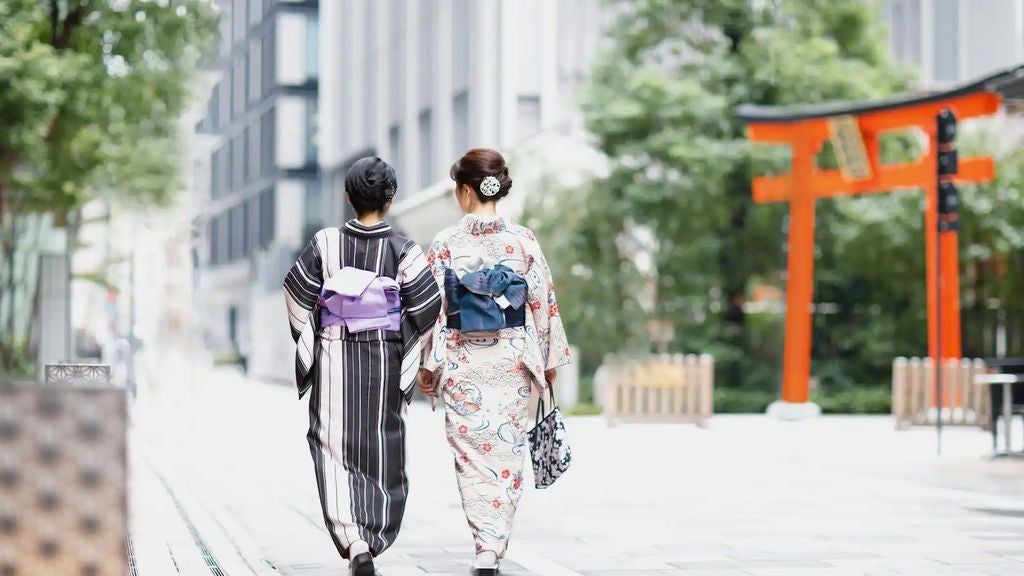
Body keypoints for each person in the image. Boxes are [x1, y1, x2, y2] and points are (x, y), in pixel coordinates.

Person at [283, 157, 442, 576]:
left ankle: (353, 541)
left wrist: (316, 332)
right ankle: (373, 536)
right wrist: (404, 339)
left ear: (348, 197)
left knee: (330, 445)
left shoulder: (325, 243)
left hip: (337, 354)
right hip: (385, 358)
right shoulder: (404, 249)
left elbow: (298, 296)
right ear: (391, 200)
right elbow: (427, 305)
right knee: (382, 447)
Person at [418, 148, 572, 576]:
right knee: (507, 450)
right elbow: (542, 299)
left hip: (464, 359)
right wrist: (547, 359)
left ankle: (484, 544)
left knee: (471, 456)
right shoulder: (522, 240)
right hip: (512, 359)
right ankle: (494, 543)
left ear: (465, 191)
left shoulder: (447, 243)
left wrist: (427, 365)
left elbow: (433, 308)